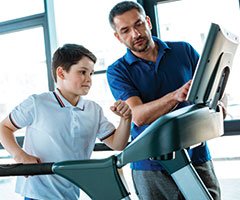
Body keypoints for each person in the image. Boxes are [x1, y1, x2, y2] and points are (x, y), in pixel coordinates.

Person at [107, 1, 221, 200]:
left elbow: (212, 88)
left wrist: (218, 104)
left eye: (138, 24)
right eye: (125, 30)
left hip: (197, 156)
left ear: (148, 22)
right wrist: (175, 96)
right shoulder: (118, 70)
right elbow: (139, 116)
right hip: (150, 167)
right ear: (118, 37)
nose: (135, 34)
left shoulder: (184, 51)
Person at [0, 43, 132, 200]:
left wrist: (126, 119)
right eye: (82, 72)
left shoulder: (94, 110)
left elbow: (117, 144)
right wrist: (20, 155)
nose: (89, 79)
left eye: (91, 73)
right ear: (61, 73)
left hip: (70, 194)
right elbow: (4, 127)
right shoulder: (37, 103)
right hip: (37, 193)